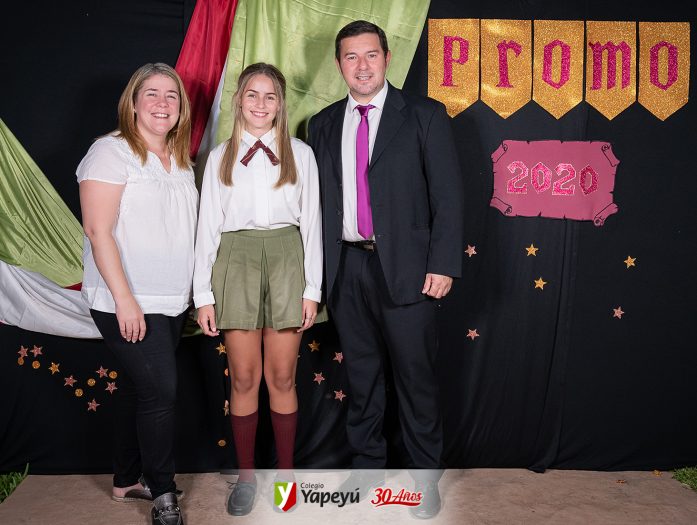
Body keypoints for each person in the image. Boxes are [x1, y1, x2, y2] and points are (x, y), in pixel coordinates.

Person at [307, 20, 464, 519]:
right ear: (339, 65)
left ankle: (424, 479)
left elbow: (448, 197)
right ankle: (367, 469)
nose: (362, 66)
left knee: (416, 379)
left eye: (370, 55)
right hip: (347, 268)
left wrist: (443, 263)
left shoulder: (423, 115)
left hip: (409, 271)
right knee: (362, 378)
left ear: (387, 58)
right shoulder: (322, 123)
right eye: (351, 57)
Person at [193, 62, 325, 516]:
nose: (261, 104)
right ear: (239, 100)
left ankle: (286, 478)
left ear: (281, 104)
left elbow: (312, 225)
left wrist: (312, 288)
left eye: (270, 96)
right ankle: (247, 477)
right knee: (244, 378)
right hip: (236, 260)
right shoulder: (219, 157)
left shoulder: (300, 154)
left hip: (288, 259)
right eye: (252, 94)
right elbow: (207, 228)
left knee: (282, 377)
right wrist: (203, 295)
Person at [78, 63, 196, 525]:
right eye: (152, 94)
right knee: (161, 392)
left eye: (172, 95)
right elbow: (98, 230)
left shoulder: (180, 158)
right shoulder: (110, 152)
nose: (162, 103)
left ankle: (126, 479)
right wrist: (125, 300)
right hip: (125, 299)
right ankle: (163, 493)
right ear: (132, 103)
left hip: (170, 299)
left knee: (137, 387)